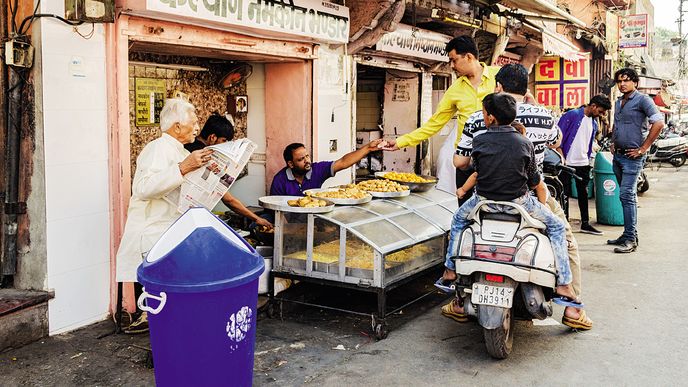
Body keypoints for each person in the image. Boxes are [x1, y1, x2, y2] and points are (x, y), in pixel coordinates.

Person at [452, 64, 592, 329]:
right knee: (566, 239)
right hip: (529, 196)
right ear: (526, 89)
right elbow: (556, 141)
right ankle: (572, 307)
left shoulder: (478, 118)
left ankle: (458, 299)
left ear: (499, 88)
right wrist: (537, 106)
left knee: (461, 229)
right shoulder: (544, 116)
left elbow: (459, 162)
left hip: (486, 196)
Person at [116, 98, 213, 334]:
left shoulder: (178, 150)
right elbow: (144, 187)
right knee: (164, 292)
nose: (197, 126)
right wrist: (183, 168)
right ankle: (157, 325)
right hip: (153, 232)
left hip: (171, 229)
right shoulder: (157, 148)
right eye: (194, 121)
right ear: (177, 126)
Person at [379, 35, 499, 205]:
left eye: (454, 60)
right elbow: (433, 124)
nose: (451, 65)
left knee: (495, 209)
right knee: (465, 212)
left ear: (469, 57)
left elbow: (519, 101)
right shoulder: (455, 90)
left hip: (497, 158)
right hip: (467, 161)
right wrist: (400, 142)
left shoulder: (499, 76)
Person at [608, 68, 664, 253]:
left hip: (633, 158)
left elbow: (659, 122)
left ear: (635, 82)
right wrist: (613, 142)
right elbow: (618, 124)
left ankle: (631, 238)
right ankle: (627, 234)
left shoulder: (643, 100)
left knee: (627, 195)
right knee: (625, 197)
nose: (622, 84)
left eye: (626, 80)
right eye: (619, 81)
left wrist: (643, 148)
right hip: (618, 155)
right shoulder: (619, 102)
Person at [189, 113, 272, 229]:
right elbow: (228, 200)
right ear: (212, 137)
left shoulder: (189, 145)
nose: (225, 146)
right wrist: (257, 219)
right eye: (224, 141)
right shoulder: (202, 155)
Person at [557, 94, 612, 236]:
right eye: (600, 111)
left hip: (583, 162)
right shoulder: (572, 115)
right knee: (565, 193)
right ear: (593, 106)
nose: (601, 115)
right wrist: (561, 157)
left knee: (583, 193)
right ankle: (565, 224)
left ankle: (585, 224)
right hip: (566, 162)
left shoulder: (594, 123)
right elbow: (557, 136)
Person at [270, 140, 383, 196]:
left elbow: (343, 162)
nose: (307, 161)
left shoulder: (317, 169)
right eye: (301, 159)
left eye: (307, 156)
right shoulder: (279, 180)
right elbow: (274, 210)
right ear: (290, 164)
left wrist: (368, 148)